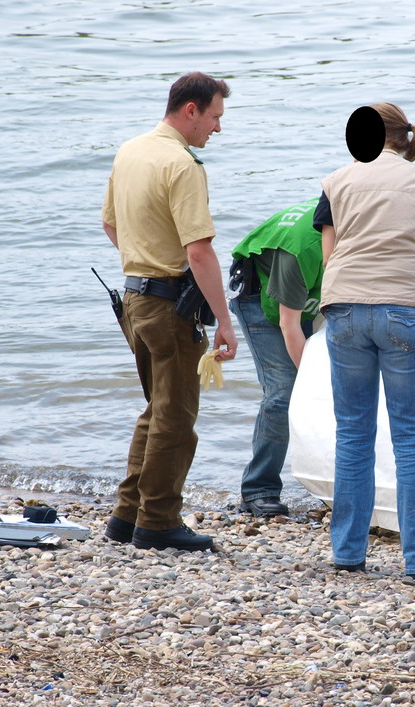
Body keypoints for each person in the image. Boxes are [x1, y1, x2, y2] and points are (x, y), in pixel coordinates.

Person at [313, 102, 415, 582]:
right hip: (406, 310)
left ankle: (347, 553)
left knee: (353, 434)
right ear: (404, 137)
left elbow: (330, 256)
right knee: (410, 438)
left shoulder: (336, 182)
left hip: (344, 309)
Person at [100, 72, 238, 552]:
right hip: (167, 306)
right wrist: (224, 319)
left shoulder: (130, 150)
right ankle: (157, 522)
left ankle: (126, 515)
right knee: (175, 418)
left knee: (156, 408)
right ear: (191, 110)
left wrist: (144, 261)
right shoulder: (182, 164)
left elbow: (109, 224)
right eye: (215, 117)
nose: (217, 129)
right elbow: (199, 251)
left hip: (134, 299)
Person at [229, 199, 324, 517]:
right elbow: (288, 322)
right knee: (284, 392)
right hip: (264, 300)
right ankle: (259, 489)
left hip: (312, 296)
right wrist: (314, 384)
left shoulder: (365, 231)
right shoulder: (302, 246)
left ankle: (339, 484)